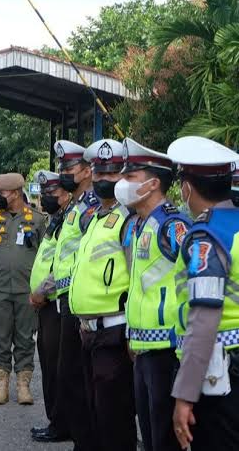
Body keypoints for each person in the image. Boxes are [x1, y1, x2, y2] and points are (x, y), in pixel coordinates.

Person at [167, 136, 239, 451]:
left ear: (187, 188)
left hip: (221, 377)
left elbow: (203, 321)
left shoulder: (206, 239)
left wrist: (185, 395)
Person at [118, 137, 190, 451]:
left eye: (130, 177)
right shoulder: (140, 225)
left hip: (167, 351)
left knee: (164, 439)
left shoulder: (173, 226)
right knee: (149, 435)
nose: (122, 183)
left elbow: (192, 287)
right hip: (143, 347)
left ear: (152, 184)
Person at [69, 139, 137, 451]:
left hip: (114, 331)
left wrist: (132, 335)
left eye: (111, 174)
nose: (102, 180)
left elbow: (136, 279)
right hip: (89, 331)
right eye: (98, 173)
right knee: (94, 411)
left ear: (124, 175)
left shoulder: (129, 220)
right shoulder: (94, 217)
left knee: (114, 417)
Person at [0, 173, 45, 405]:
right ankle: (1, 385)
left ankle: (24, 385)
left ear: (15, 193)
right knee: (0, 337)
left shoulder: (37, 219)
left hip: (27, 288)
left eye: (2, 193)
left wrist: (43, 288)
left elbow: (46, 254)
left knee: (25, 337)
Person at [45, 139, 99, 450]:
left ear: (87, 171)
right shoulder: (75, 208)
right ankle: (82, 438)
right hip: (66, 298)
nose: (64, 173)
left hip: (81, 302)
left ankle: (87, 440)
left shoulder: (92, 208)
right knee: (68, 375)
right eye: (62, 168)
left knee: (77, 376)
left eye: (69, 168)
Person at [28, 170, 71, 443]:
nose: (46, 199)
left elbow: (65, 265)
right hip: (45, 306)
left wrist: (42, 292)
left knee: (58, 367)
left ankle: (61, 423)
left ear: (65, 195)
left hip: (55, 303)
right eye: (43, 194)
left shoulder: (70, 221)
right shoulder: (55, 220)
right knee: (48, 363)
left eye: (51, 194)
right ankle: (54, 420)